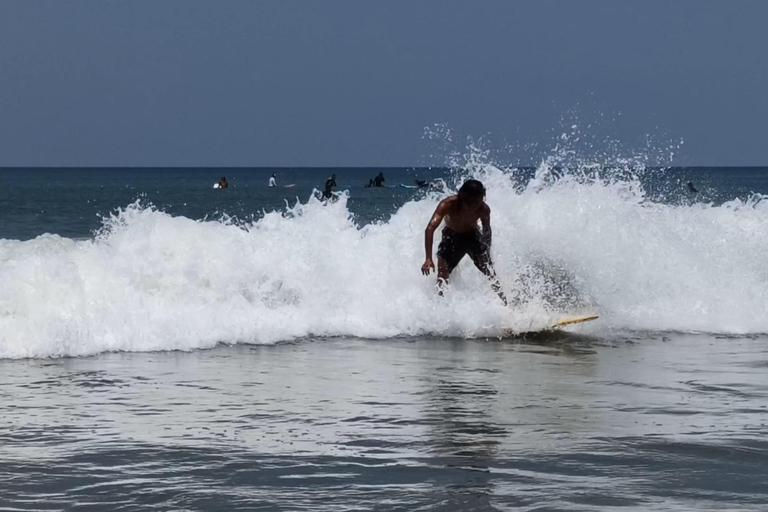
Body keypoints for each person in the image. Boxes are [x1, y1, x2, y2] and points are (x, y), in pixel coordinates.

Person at [421, 179, 507, 305]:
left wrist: (486, 251)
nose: (478, 204)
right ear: (464, 197)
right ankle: (438, 308)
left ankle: (505, 302)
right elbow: (430, 228)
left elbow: (487, 230)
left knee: (488, 270)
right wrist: (428, 258)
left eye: (481, 200)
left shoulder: (484, 209)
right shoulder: (448, 204)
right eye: (475, 202)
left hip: (472, 236)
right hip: (451, 237)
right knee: (442, 276)